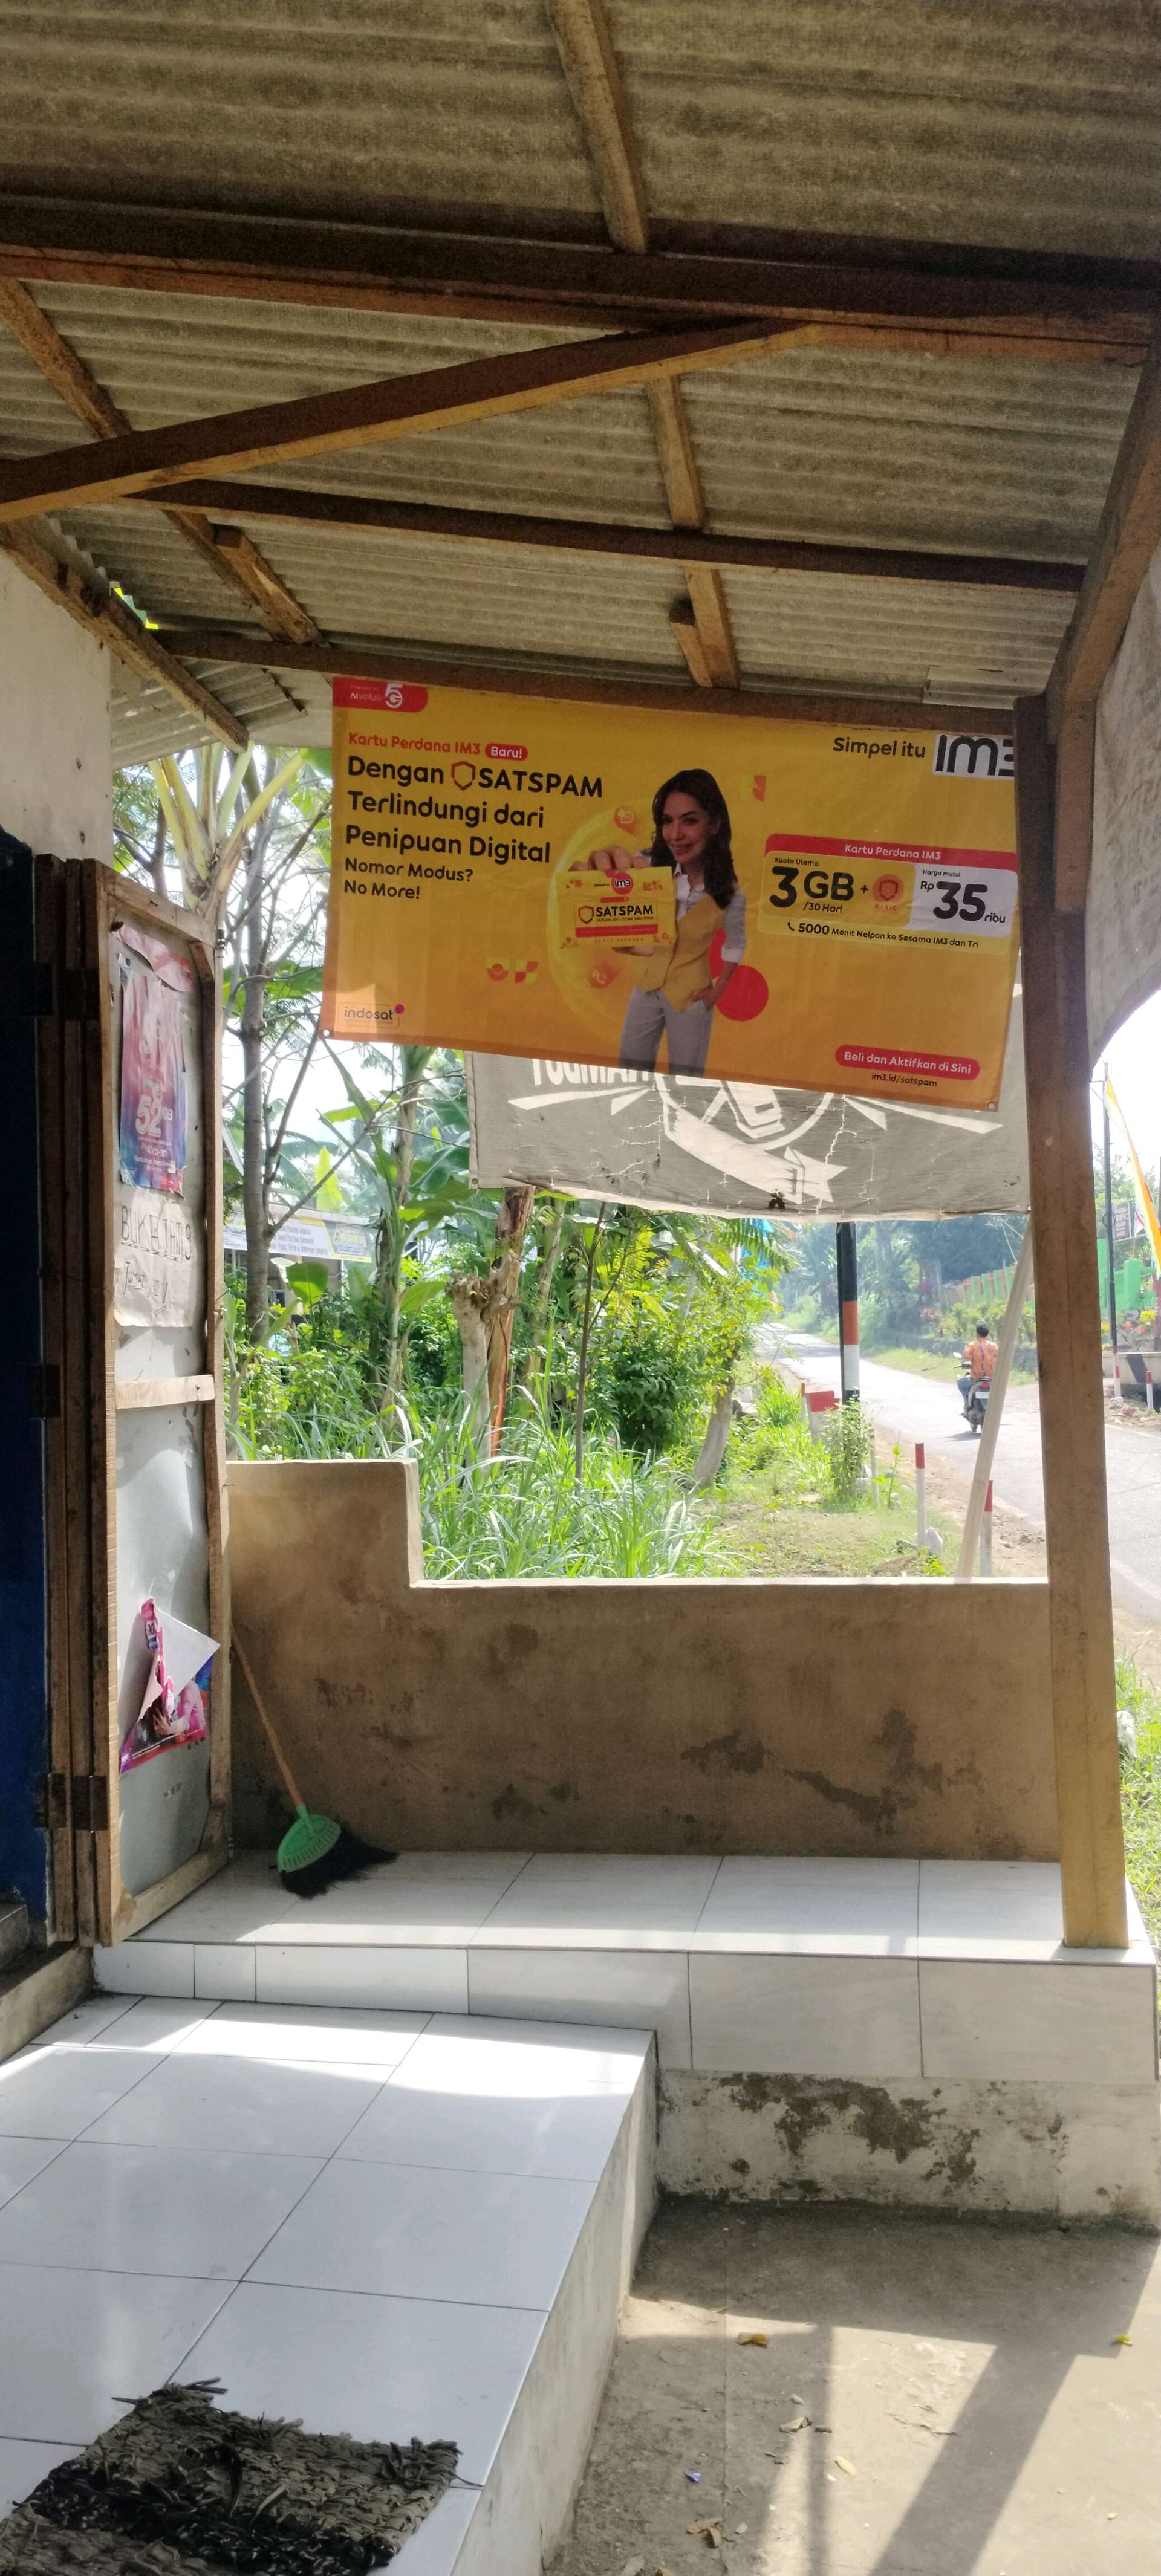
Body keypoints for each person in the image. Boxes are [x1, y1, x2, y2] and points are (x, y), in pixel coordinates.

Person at [571, 769, 746, 1076]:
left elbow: (735, 944)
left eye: (689, 821)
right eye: (667, 821)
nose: (675, 834)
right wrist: (591, 889)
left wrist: (717, 992)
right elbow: (614, 912)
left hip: (691, 997)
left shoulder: (730, 893)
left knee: (687, 1080)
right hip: (645, 988)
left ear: (715, 824)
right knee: (630, 1070)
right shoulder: (646, 866)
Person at [958, 1319, 998, 1407]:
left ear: (977, 1334)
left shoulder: (972, 1345)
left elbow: (966, 1356)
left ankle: (967, 1404)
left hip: (976, 1378)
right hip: (992, 1379)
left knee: (961, 1383)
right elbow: (999, 1359)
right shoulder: (994, 1346)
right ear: (987, 1334)